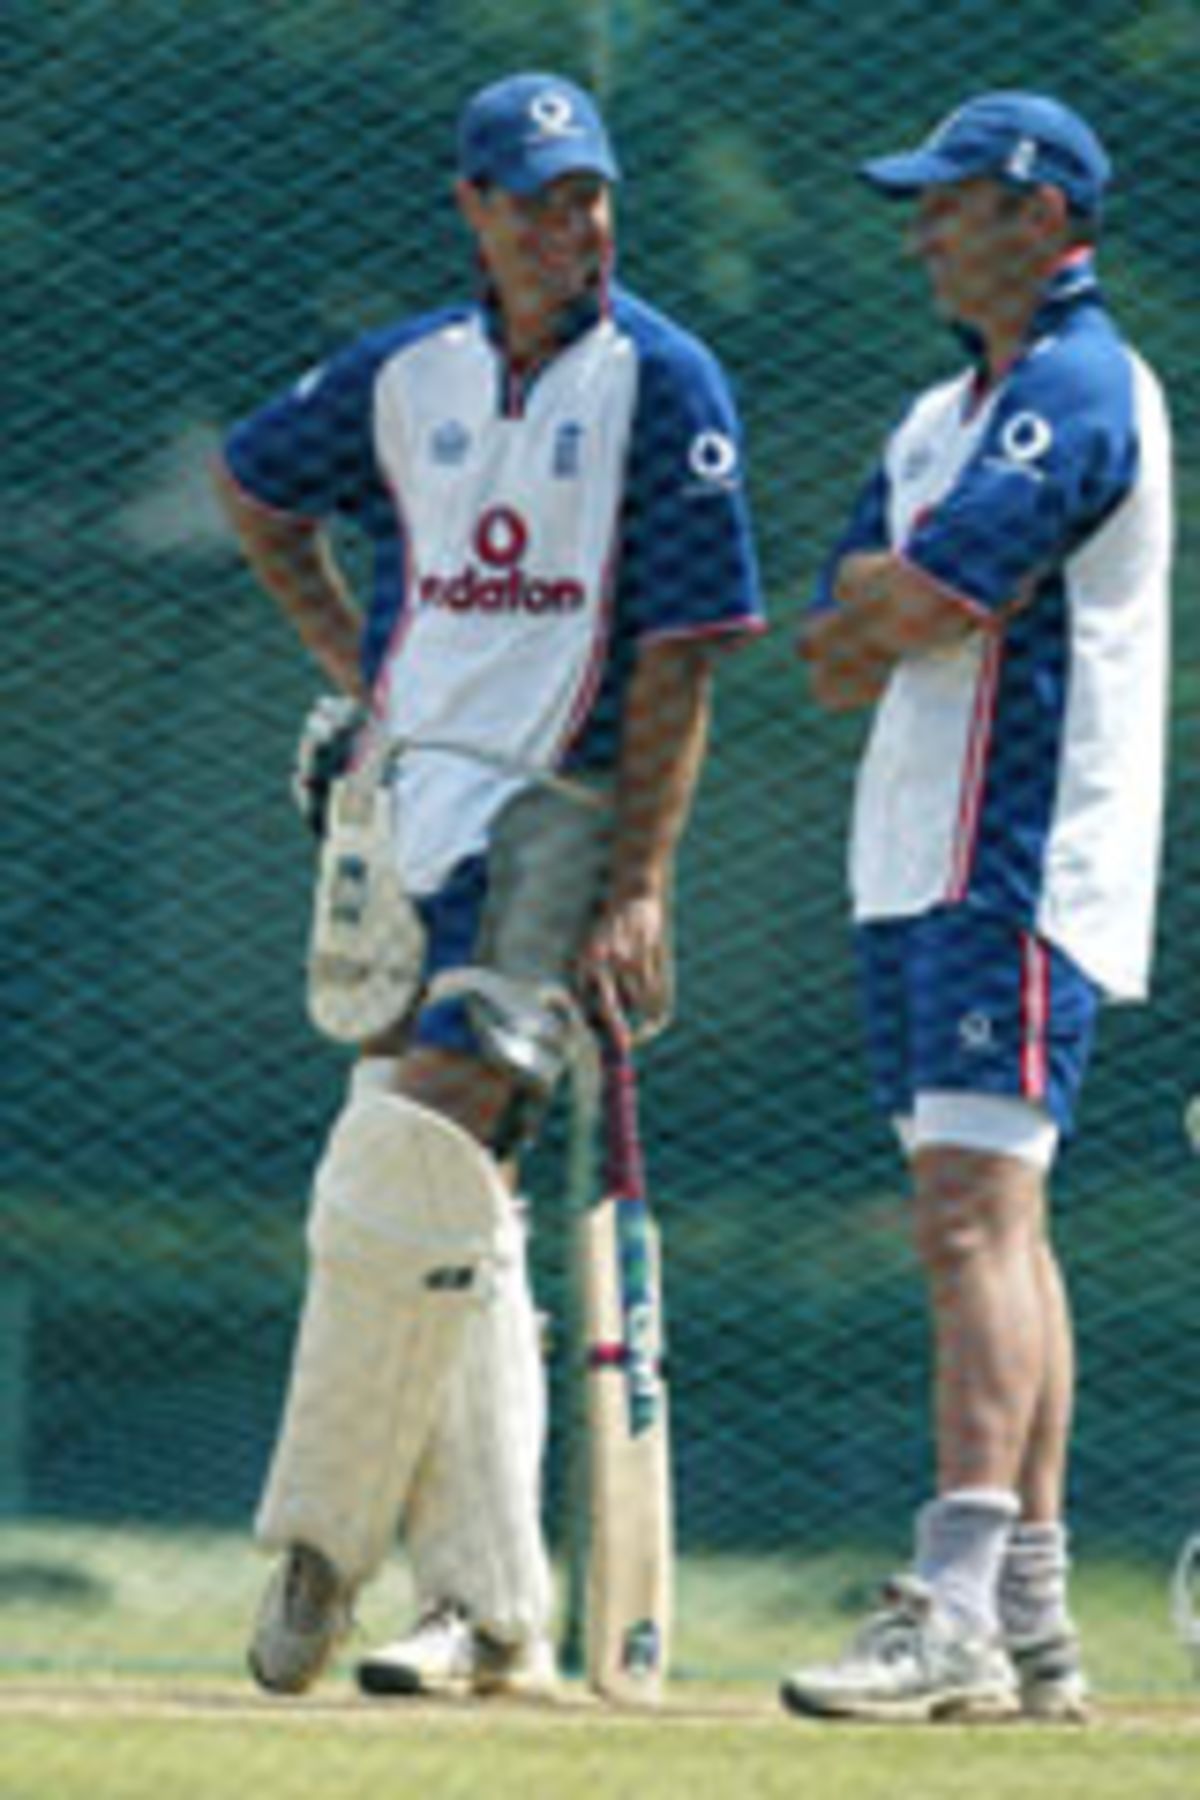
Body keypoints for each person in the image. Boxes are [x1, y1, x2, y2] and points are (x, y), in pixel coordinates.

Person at [215, 70, 763, 1699]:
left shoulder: (668, 383)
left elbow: (682, 659)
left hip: (559, 815)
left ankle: (317, 1551)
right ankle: (493, 1612)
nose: (568, 225)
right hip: (406, 825)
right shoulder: (405, 376)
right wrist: (359, 674)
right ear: (474, 209)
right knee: (445, 1227)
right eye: (534, 200)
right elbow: (257, 490)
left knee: (401, 1165)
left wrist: (642, 877)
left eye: (588, 194)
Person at [782, 92, 1172, 1723]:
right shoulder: (940, 412)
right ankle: (1030, 1623)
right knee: (995, 1218)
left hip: (1014, 861)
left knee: (968, 1220)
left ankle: (948, 1603)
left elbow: (929, 597)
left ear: (1038, 211)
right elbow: (830, 647)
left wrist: (908, 596)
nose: (918, 228)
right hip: (917, 857)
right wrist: (902, 600)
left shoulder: (1082, 384)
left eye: (947, 200)